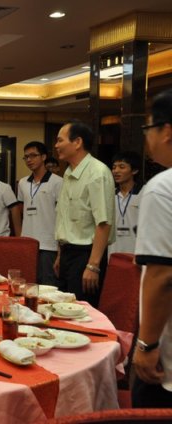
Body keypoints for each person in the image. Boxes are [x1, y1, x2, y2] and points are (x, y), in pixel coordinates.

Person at [132, 89, 172, 408]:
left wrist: (146, 344)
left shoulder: (161, 188)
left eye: (148, 129)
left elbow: (162, 276)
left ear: (166, 131)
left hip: (167, 364)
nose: (147, 139)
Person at [54, 120, 115, 307]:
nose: (56, 145)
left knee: (82, 312)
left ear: (77, 142)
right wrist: (60, 255)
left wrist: (93, 266)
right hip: (67, 253)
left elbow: (103, 223)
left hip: (86, 256)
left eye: (60, 140)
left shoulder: (97, 173)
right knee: (63, 309)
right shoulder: (68, 172)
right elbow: (65, 218)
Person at [17, 141, 63, 285]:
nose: (29, 160)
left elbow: (62, 216)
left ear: (43, 157)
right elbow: (20, 210)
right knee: (26, 284)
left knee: (47, 286)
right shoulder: (22, 183)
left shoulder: (58, 182)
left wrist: (60, 249)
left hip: (48, 244)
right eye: (26, 157)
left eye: (33, 156)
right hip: (27, 242)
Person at [108, 151, 142, 257]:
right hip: (113, 253)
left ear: (135, 170)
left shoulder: (144, 193)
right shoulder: (109, 195)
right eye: (114, 167)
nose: (116, 171)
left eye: (122, 167)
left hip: (137, 254)